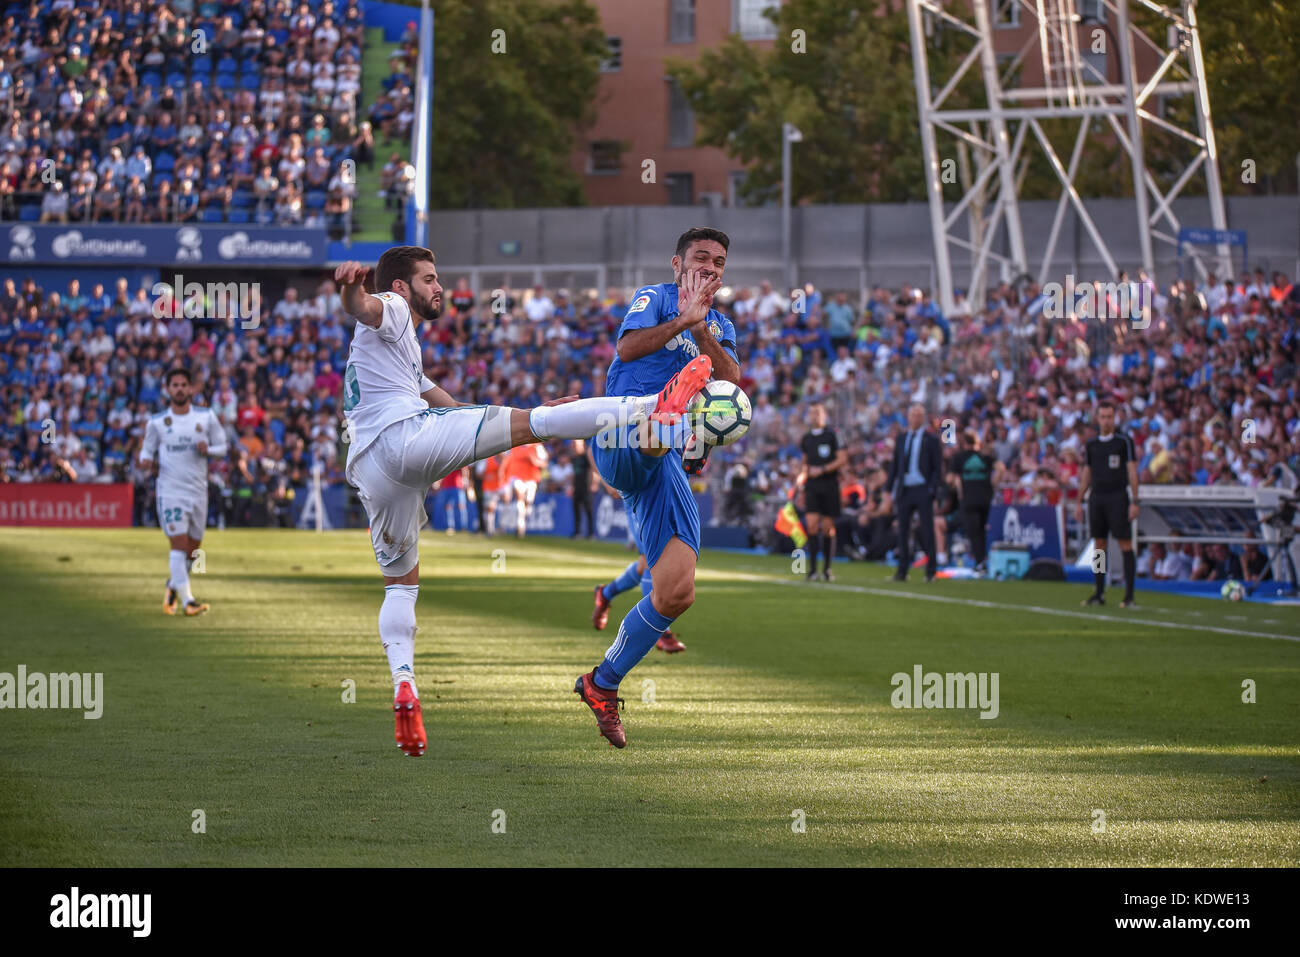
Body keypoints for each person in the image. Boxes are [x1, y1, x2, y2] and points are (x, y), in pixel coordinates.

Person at [335, 247, 710, 756]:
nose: (438, 286)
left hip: (371, 469)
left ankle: (405, 682)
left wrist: (503, 417)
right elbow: (366, 307)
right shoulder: (394, 309)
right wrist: (351, 291)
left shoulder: (397, 353)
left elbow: (443, 403)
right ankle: (654, 405)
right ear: (402, 287)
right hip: (404, 436)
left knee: (401, 585)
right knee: (537, 423)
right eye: (428, 278)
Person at [577, 226, 738, 748]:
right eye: (700, 258)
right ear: (677, 263)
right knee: (658, 424)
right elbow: (625, 350)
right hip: (620, 428)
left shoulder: (722, 323)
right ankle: (667, 408)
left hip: (664, 462)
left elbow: (732, 383)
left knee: (676, 591)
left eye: (718, 262)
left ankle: (602, 684)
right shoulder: (655, 297)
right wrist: (681, 322)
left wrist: (703, 327)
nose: (710, 268)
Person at [138, 367, 228, 617]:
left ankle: (172, 585)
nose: (179, 389)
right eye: (174, 385)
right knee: (177, 545)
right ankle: (188, 601)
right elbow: (146, 451)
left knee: (193, 549)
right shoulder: (157, 422)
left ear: (190, 388)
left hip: (198, 491)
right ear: (168, 390)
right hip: (170, 491)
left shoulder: (205, 416)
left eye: (183, 385)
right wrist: (146, 461)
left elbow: (222, 447)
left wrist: (207, 449)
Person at [1077, 400, 1140, 607]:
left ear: (1114, 418)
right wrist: (1079, 500)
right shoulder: (1092, 444)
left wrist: (1135, 500)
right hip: (1097, 497)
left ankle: (1129, 594)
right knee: (1099, 545)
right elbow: (1087, 473)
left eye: (1109, 417)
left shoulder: (1124, 442)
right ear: (1097, 418)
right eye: (1103, 417)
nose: (1106, 421)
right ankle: (1099, 591)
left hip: (1118, 496)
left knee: (1124, 543)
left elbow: (1132, 471)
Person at [889, 403, 943, 582]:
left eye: (919, 415)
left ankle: (931, 570)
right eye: (913, 415)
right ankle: (902, 570)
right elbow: (895, 465)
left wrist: (931, 489)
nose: (915, 418)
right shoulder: (902, 438)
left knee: (927, 530)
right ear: (908, 417)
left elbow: (937, 467)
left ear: (923, 418)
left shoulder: (932, 439)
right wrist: (889, 488)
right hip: (905, 489)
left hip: (922, 489)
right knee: (902, 530)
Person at [799, 402, 847, 581]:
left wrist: (823, 469)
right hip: (812, 486)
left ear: (824, 415)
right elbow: (804, 463)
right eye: (812, 413)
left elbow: (843, 459)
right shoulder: (806, 438)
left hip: (829, 485)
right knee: (811, 525)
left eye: (818, 412)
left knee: (828, 528)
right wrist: (801, 480)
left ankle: (827, 569)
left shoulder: (833, 434)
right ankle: (812, 570)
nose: (815, 416)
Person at [949, 429, 1002, 572]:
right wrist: (993, 484)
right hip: (985, 497)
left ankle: (979, 562)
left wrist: (958, 488)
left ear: (964, 442)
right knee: (981, 530)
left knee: (974, 531)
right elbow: (1001, 468)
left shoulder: (959, 458)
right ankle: (981, 559)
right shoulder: (984, 457)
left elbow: (951, 478)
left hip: (969, 498)